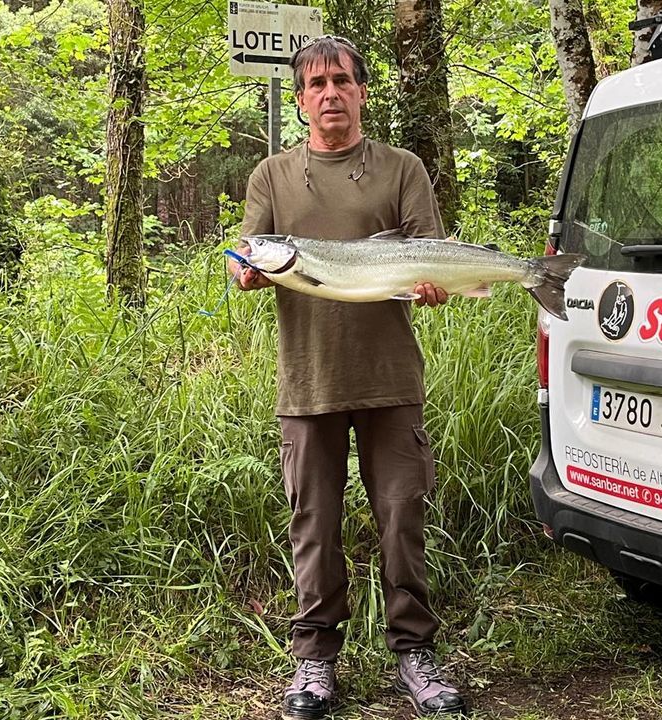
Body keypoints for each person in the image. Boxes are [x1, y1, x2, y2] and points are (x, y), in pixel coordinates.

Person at [232, 35, 468, 719]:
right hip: (308, 384)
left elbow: (431, 252)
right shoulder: (270, 177)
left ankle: (416, 655)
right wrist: (245, 270)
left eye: (341, 81)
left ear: (362, 90)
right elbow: (246, 253)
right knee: (315, 524)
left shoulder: (402, 168)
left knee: (402, 517)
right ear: (301, 101)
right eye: (315, 85)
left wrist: (434, 286)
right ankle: (314, 662)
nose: (329, 94)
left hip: (391, 378)